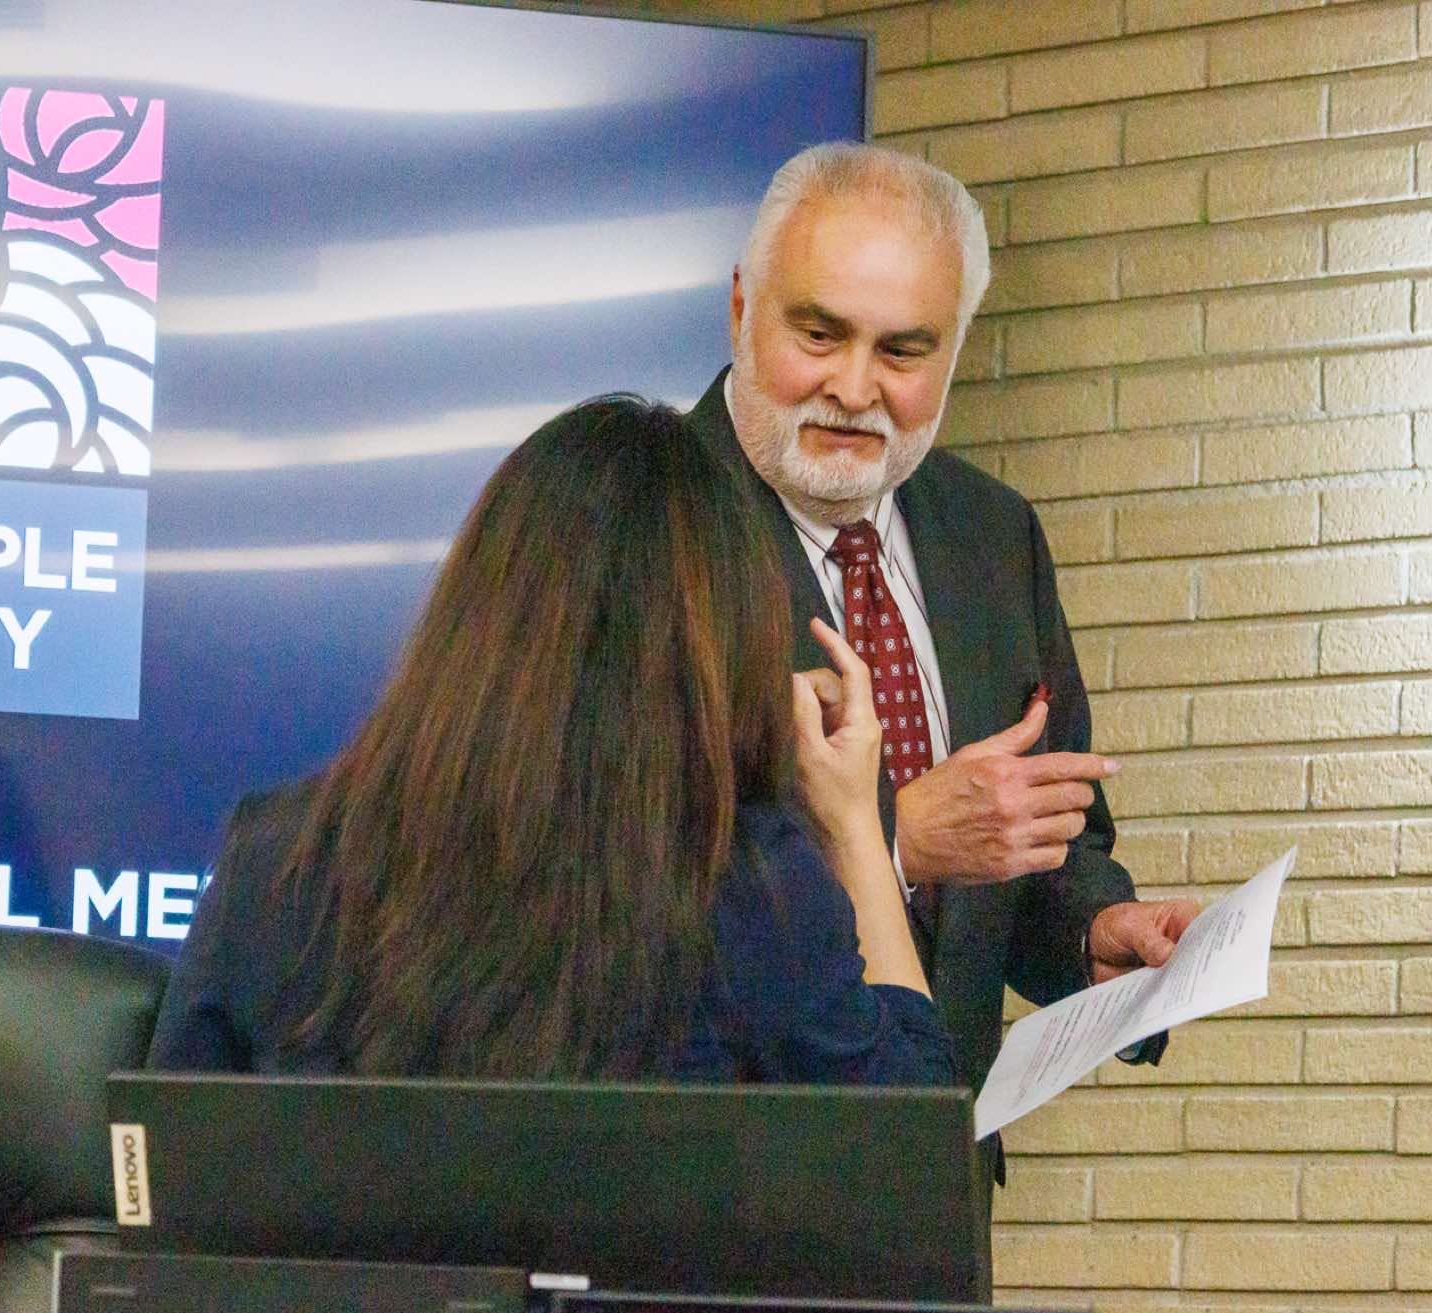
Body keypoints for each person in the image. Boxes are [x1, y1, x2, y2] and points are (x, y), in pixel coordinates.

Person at [147, 396, 957, 1089]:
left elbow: (163, 1165)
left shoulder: (279, 856)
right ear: (724, 644)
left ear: (473, 610)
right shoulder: (752, 888)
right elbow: (915, 1146)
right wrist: (853, 821)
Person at [684, 143, 1207, 1111]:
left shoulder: (994, 532)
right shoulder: (636, 523)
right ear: (741, 308)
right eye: (818, 334)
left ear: (954, 352)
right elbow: (591, 875)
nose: (853, 388)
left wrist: (1091, 933)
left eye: (902, 352)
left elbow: (1040, 836)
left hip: (939, 1157)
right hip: (721, 1155)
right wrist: (896, 837)